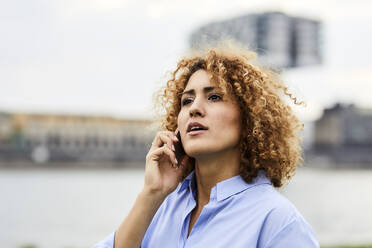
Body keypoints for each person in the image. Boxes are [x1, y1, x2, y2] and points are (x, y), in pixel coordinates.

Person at [92, 41, 319, 248]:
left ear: (249, 117)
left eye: (214, 97)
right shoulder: (161, 208)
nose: (194, 108)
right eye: (187, 100)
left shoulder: (278, 222)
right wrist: (152, 192)